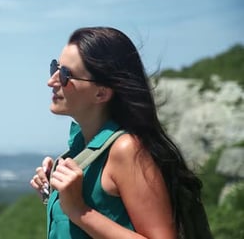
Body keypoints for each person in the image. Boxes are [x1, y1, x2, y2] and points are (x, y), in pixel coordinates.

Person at [30, 27, 203, 239]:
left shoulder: (126, 149)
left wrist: (80, 211)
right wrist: (55, 193)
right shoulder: (81, 146)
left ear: (101, 93)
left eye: (66, 74)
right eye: (54, 68)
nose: (52, 81)